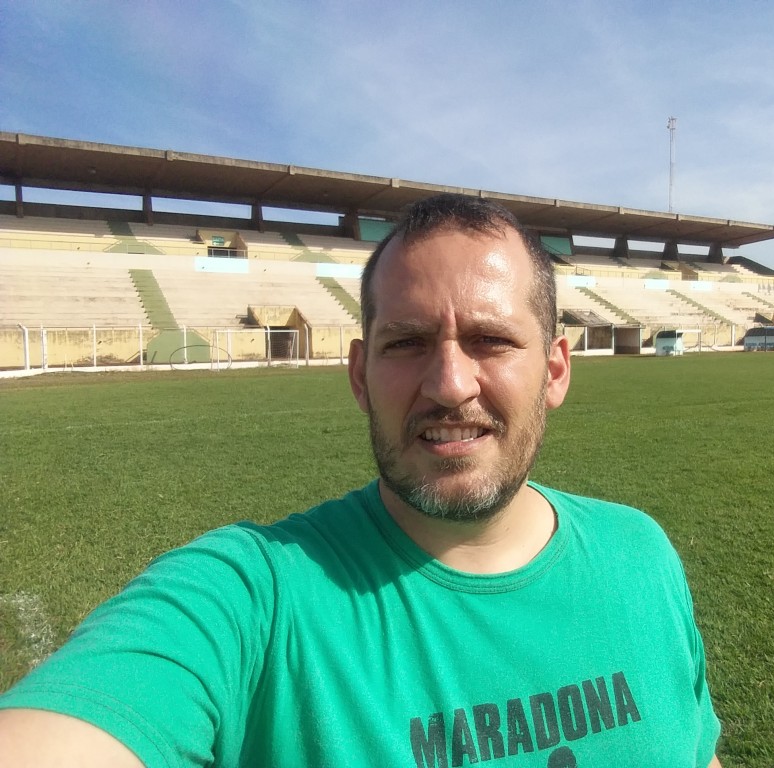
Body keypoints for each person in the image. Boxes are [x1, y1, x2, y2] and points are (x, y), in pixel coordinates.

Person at [0, 193, 722, 767]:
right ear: (358, 374)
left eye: (491, 340)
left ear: (556, 370)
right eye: (406, 343)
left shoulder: (643, 556)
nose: (448, 383)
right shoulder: (255, 598)